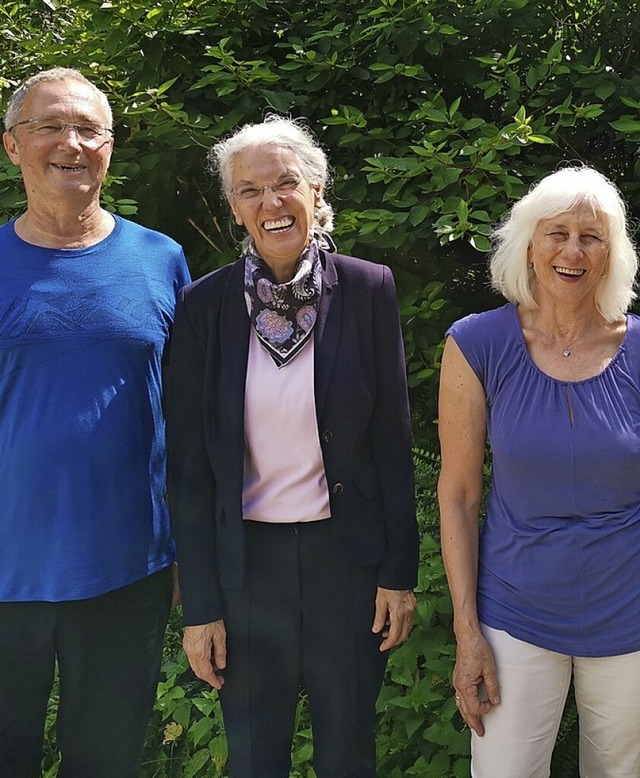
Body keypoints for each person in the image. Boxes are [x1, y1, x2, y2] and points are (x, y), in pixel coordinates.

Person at [167, 115, 419, 778]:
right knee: (253, 758)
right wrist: (202, 608)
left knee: (347, 752)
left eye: (285, 184)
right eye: (251, 190)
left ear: (316, 191)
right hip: (246, 568)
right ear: (234, 208)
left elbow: (393, 439)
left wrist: (400, 572)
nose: (271, 202)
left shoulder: (368, 289)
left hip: (348, 564)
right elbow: (189, 469)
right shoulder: (203, 306)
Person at [0, 68, 190, 777]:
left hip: (127, 571)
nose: (69, 143)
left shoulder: (160, 260)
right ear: (13, 146)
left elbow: (191, 414)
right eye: (49, 127)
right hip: (3, 570)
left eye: (88, 129)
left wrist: (188, 545)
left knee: (106, 762)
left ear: (110, 147)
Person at [438, 165, 640, 777]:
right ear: (529, 243)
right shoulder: (476, 344)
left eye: (591, 236)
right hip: (514, 615)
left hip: (630, 613)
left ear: (612, 254)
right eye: (557, 233)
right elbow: (459, 496)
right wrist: (467, 632)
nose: (572, 251)